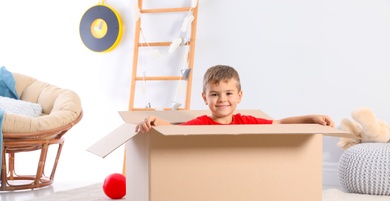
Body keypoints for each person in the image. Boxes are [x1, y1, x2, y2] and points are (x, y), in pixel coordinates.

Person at [135, 65, 334, 133]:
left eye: (229, 93)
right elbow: (175, 132)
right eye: (214, 94)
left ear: (239, 96)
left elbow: (279, 123)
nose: (222, 99)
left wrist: (311, 118)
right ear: (205, 98)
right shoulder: (201, 123)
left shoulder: (244, 121)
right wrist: (155, 121)